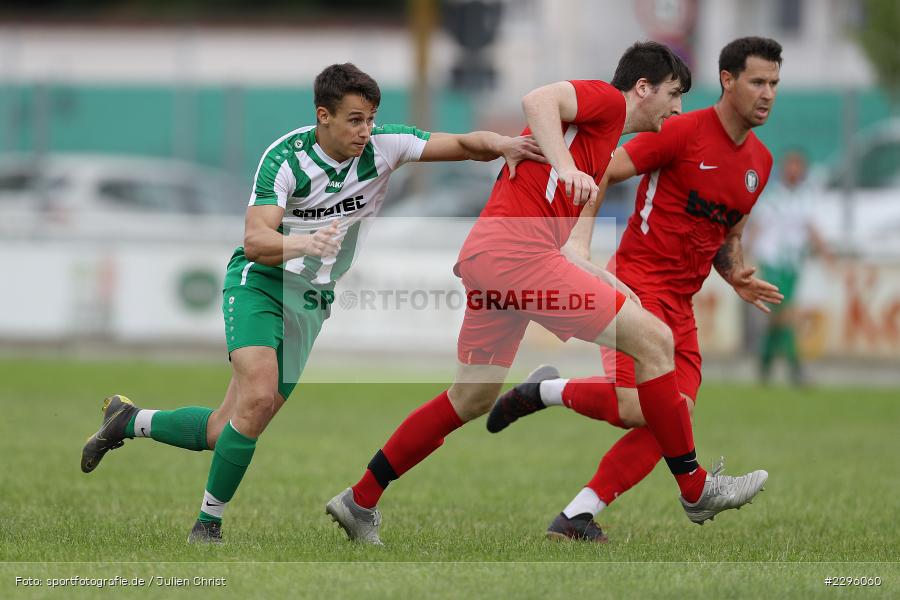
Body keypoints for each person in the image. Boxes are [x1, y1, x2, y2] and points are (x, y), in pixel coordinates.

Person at [80, 62, 545, 544]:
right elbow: (256, 240)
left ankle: (129, 421)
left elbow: (465, 144)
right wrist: (303, 244)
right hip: (259, 282)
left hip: (311, 302)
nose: (366, 131)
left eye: (371, 119)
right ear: (324, 116)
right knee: (258, 396)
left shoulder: (386, 146)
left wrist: (504, 145)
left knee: (228, 427)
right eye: (355, 119)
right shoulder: (286, 158)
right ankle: (207, 526)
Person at [328, 41, 768, 547]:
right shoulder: (606, 101)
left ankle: (359, 500)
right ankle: (695, 489)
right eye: (673, 94)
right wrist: (564, 165)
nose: (678, 108)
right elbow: (537, 99)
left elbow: (563, 230)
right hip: (517, 260)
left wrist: (600, 273)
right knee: (655, 342)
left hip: (492, 261)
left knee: (470, 397)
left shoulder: (600, 143)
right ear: (642, 88)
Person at [486, 37, 784, 542]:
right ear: (727, 80)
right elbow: (602, 171)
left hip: (682, 302)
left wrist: (735, 273)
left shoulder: (761, 162)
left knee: (670, 420)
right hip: (639, 282)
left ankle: (576, 516)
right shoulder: (681, 131)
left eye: (775, 83)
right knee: (640, 408)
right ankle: (546, 391)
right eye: (757, 81)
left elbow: (726, 235)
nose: (768, 94)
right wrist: (578, 243)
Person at [748, 149, 832, 385]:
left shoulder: (806, 197)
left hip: (794, 264)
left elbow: (811, 228)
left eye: (798, 165)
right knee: (787, 314)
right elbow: (757, 226)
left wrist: (827, 254)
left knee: (779, 318)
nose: (794, 170)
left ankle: (764, 363)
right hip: (773, 262)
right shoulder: (773, 196)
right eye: (790, 165)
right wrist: (746, 256)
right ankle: (796, 368)